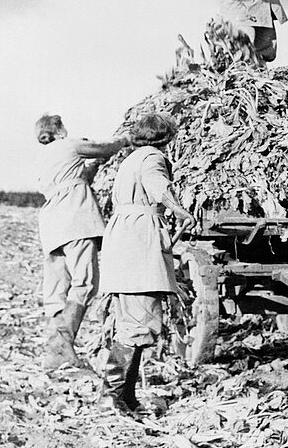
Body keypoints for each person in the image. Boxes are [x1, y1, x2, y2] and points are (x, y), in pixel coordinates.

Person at [97, 112, 195, 415]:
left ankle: (125, 398)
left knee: (132, 321)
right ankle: (110, 397)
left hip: (123, 235)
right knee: (138, 323)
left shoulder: (130, 159)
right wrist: (179, 210)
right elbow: (158, 187)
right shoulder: (153, 157)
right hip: (139, 239)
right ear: (165, 137)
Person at [35, 115, 129, 371]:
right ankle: (62, 347)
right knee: (85, 283)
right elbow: (104, 148)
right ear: (59, 129)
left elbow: (76, 178)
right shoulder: (70, 145)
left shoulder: (44, 156)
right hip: (75, 219)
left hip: (51, 224)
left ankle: (54, 352)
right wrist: (125, 139)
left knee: (56, 289)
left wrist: (94, 167)